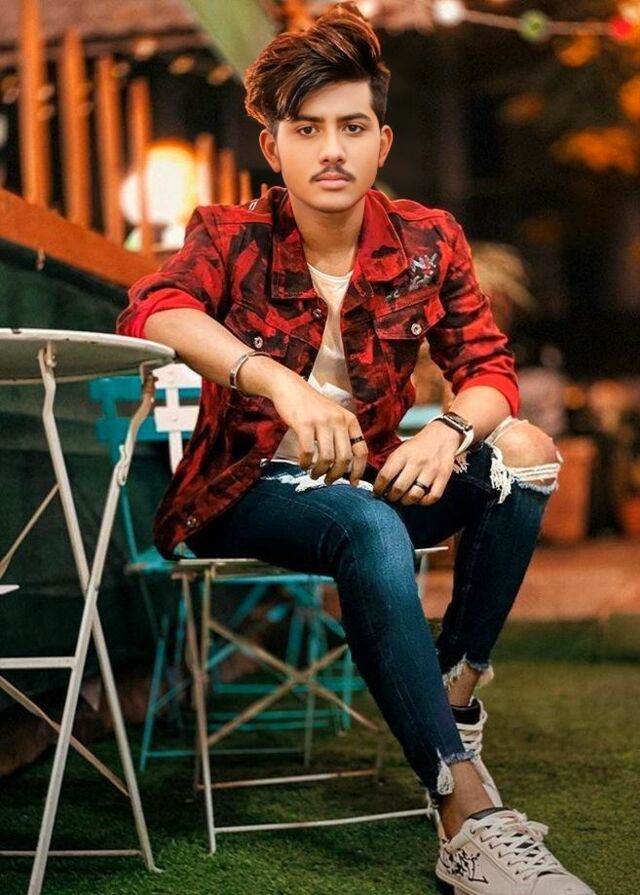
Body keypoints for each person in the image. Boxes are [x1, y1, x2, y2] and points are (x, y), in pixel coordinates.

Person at [117, 5, 592, 893]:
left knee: (522, 453)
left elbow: (489, 370)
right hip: (246, 489)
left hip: (369, 480)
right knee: (369, 525)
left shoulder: (428, 239)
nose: (331, 150)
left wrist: (448, 431)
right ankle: (466, 817)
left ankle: (450, 696)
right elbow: (156, 310)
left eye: (351, 127)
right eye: (307, 130)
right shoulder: (229, 233)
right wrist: (281, 383)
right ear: (274, 147)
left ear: (382, 141)